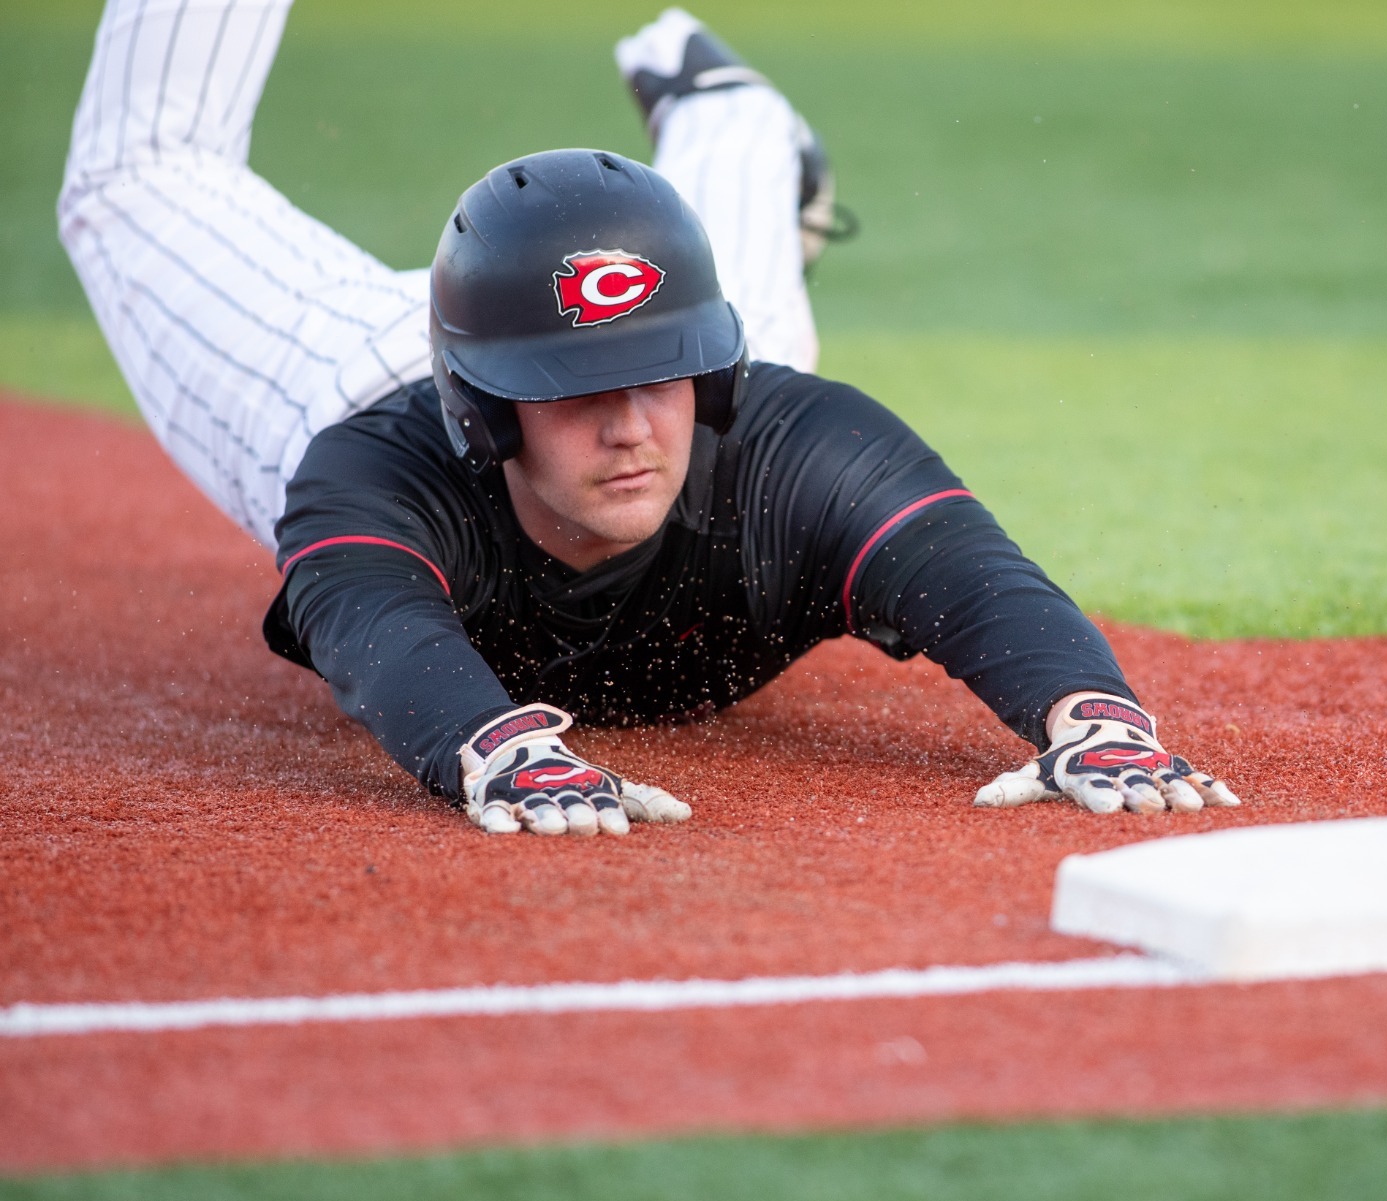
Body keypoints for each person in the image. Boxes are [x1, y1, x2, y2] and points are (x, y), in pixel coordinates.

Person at [59, 0, 1239, 835]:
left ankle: (729, 111)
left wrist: (1094, 718)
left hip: (686, 341)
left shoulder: (784, 440)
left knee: (733, 295)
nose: (631, 426)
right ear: (486, 412)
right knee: (131, 179)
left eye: (662, 377)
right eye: (576, 395)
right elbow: (372, 628)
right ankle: (730, 131)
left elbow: (973, 575)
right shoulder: (367, 463)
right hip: (342, 356)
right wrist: (494, 748)